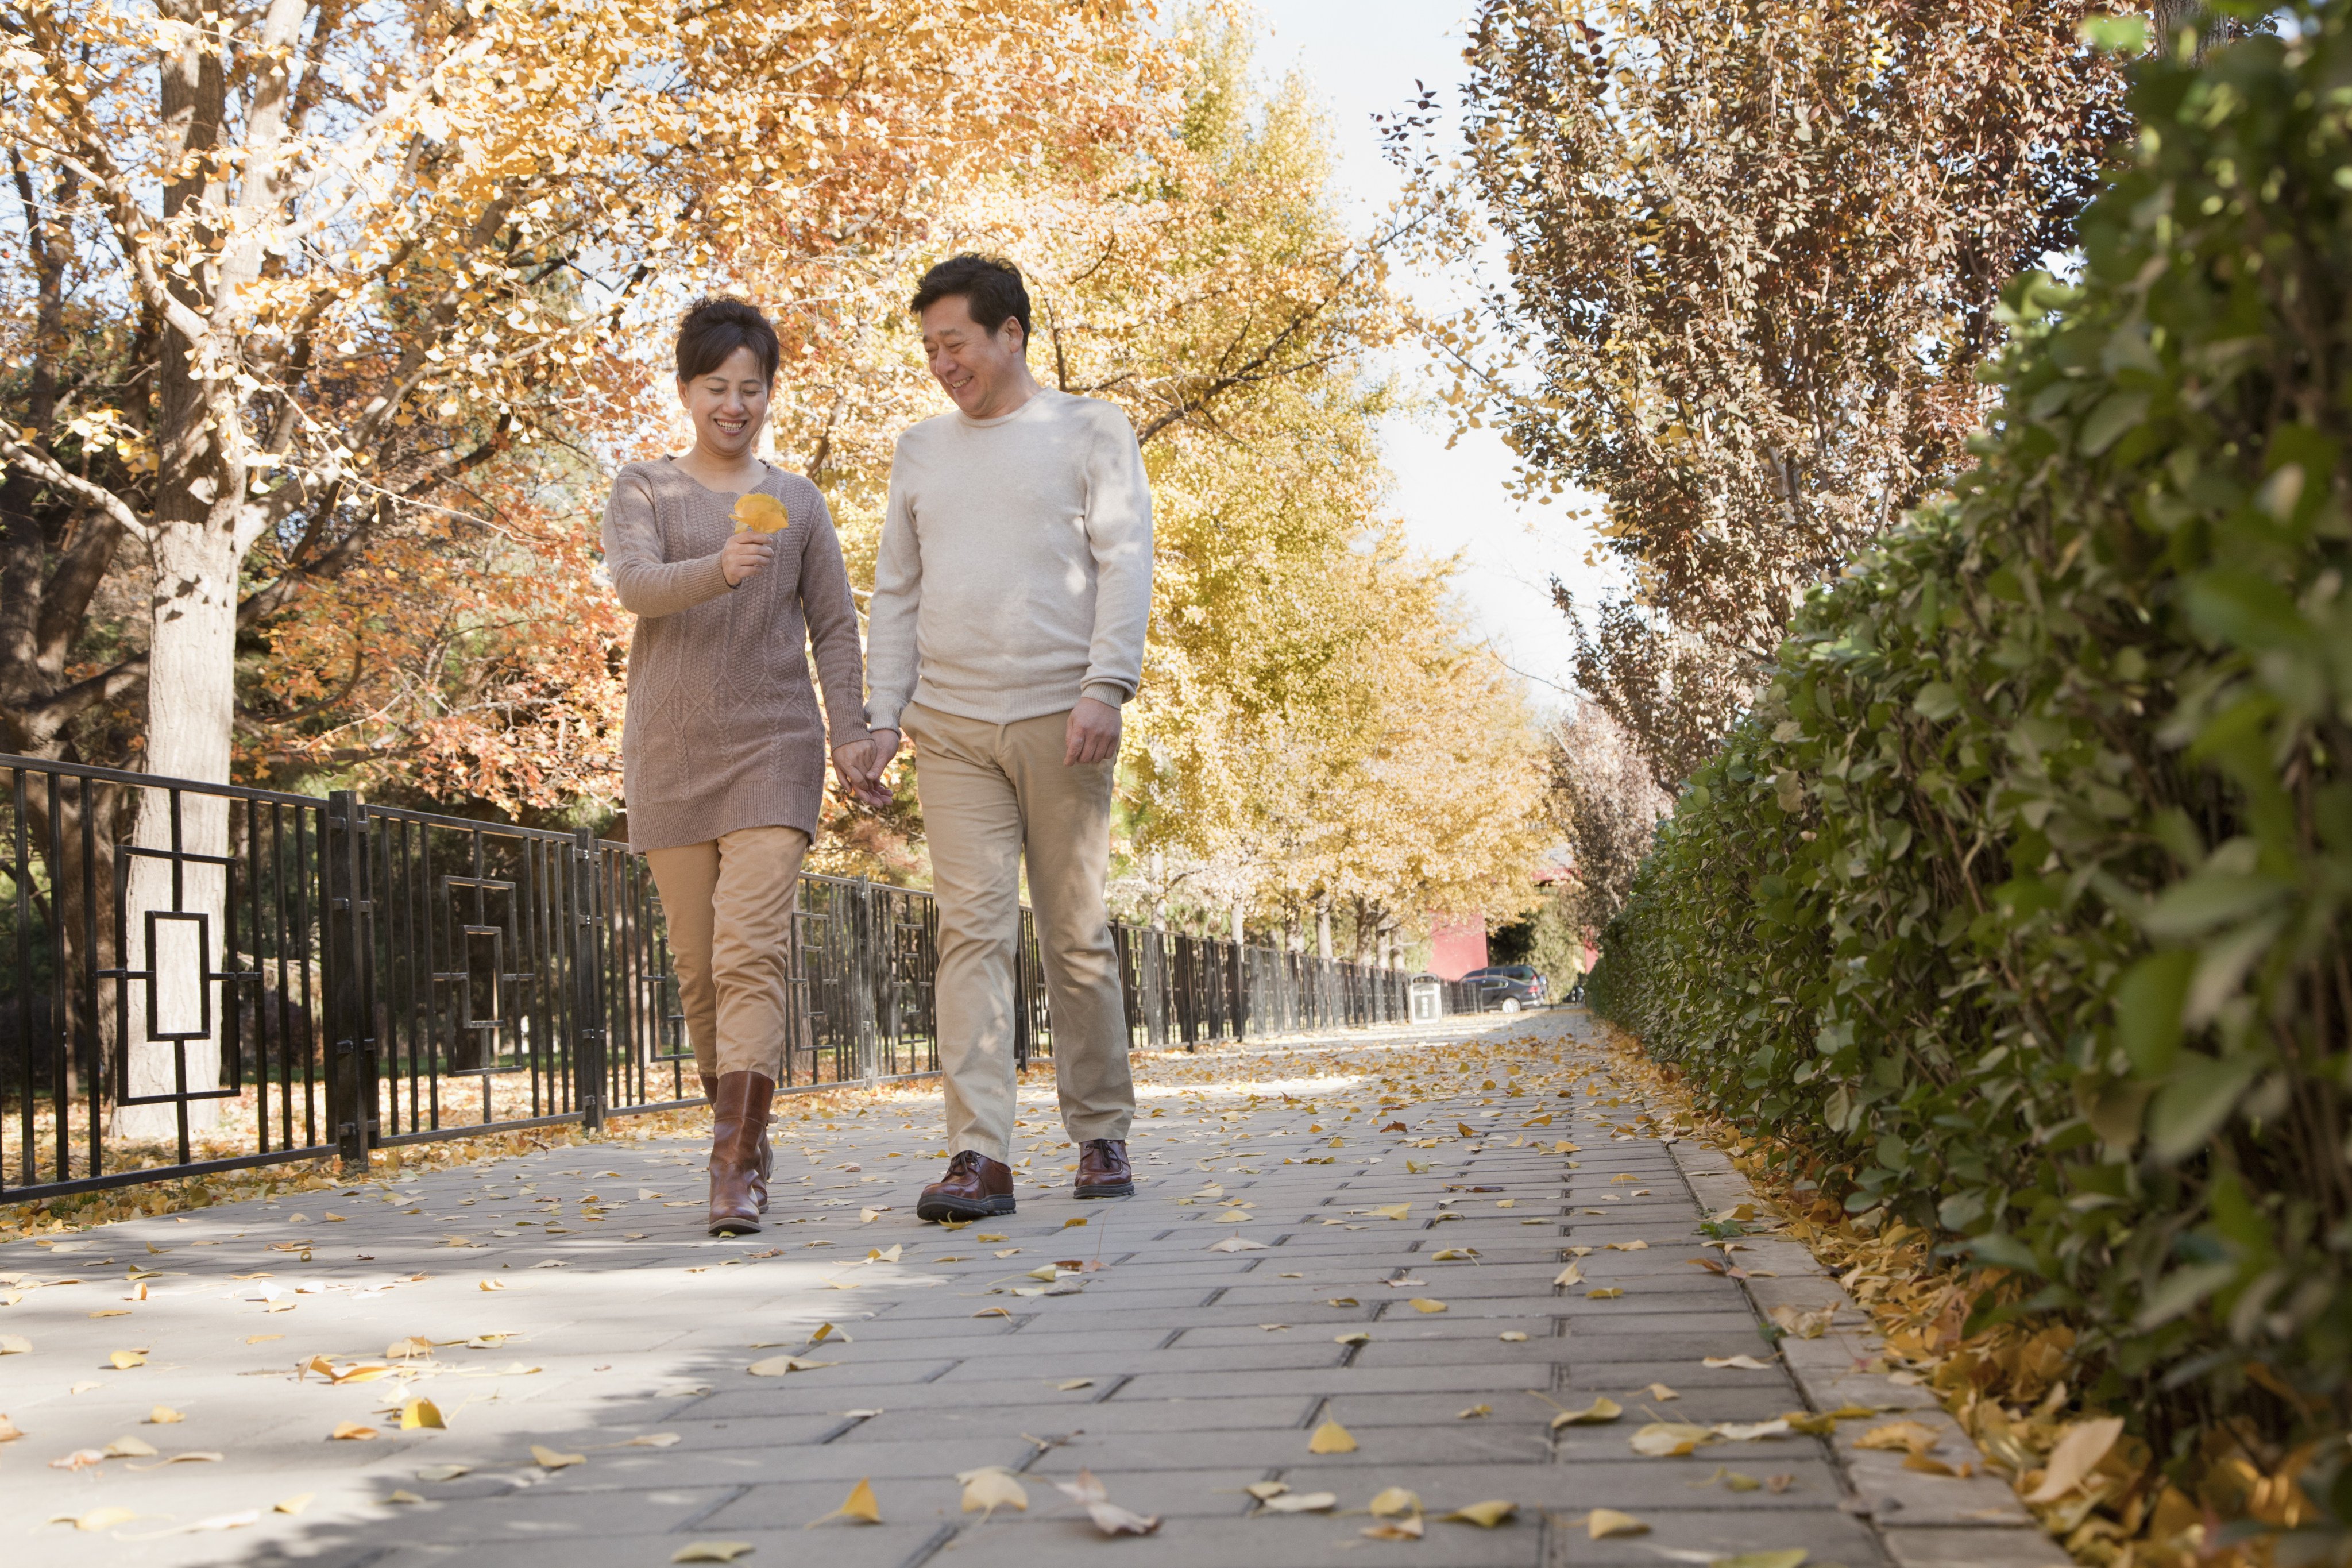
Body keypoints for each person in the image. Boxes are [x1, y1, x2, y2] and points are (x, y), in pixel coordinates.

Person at [859, 254, 1153, 1221]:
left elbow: (1125, 559)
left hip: (1061, 717)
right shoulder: (921, 450)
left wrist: (1106, 685)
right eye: (931, 348)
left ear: (1010, 334)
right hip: (951, 727)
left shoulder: (1089, 428)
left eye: (956, 344)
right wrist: (881, 715)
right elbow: (897, 588)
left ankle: (1100, 1130)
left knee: (1074, 934)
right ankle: (978, 1153)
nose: (942, 364)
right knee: (971, 934)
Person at [600, 297, 876, 1236]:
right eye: (717, 387)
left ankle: (729, 1168)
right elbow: (635, 585)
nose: (734, 404)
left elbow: (836, 629)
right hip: (671, 754)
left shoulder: (798, 501)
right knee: (695, 969)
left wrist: (851, 735)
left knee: (748, 948)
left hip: (774, 746)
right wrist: (719, 568)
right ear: (687, 390)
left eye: (751, 388)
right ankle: (747, 1139)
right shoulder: (644, 487)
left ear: (769, 395)